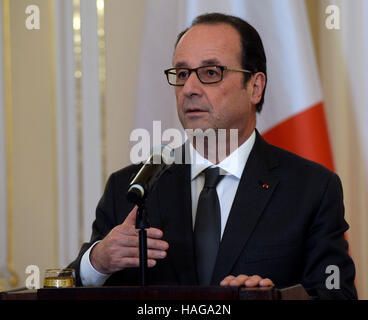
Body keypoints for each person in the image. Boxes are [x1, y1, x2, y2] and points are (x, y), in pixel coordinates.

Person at [69, 13, 357, 299]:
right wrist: (97, 263)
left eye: (210, 73)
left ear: (255, 87)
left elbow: (336, 294)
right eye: (182, 74)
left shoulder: (311, 188)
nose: (189, 89)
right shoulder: (129, 188)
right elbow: (66, 289)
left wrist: (274, 299)